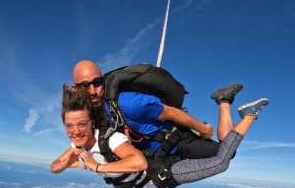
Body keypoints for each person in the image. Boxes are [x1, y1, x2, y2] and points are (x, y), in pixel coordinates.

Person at [72, 60, 238, 159]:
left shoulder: (129, 103)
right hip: (154, 152)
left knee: (227, 153)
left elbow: (172, 112)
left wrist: (204, 129)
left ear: (103, 81)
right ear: (75, 88)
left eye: (97, 83)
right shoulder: (87, 110)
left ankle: (223, 100)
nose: (93, 91)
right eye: (85, 86)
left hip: (177, 142)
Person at [50, 85, 148, 188]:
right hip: (129, 185)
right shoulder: (77, 146)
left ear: (91, 124)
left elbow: (140, 163)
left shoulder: (110, 139)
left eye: (82, 124)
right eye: (70, 126)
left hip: (149, 179)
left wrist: (98, 167)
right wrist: (65, 165)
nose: (76, 132)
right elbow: (54, 166)